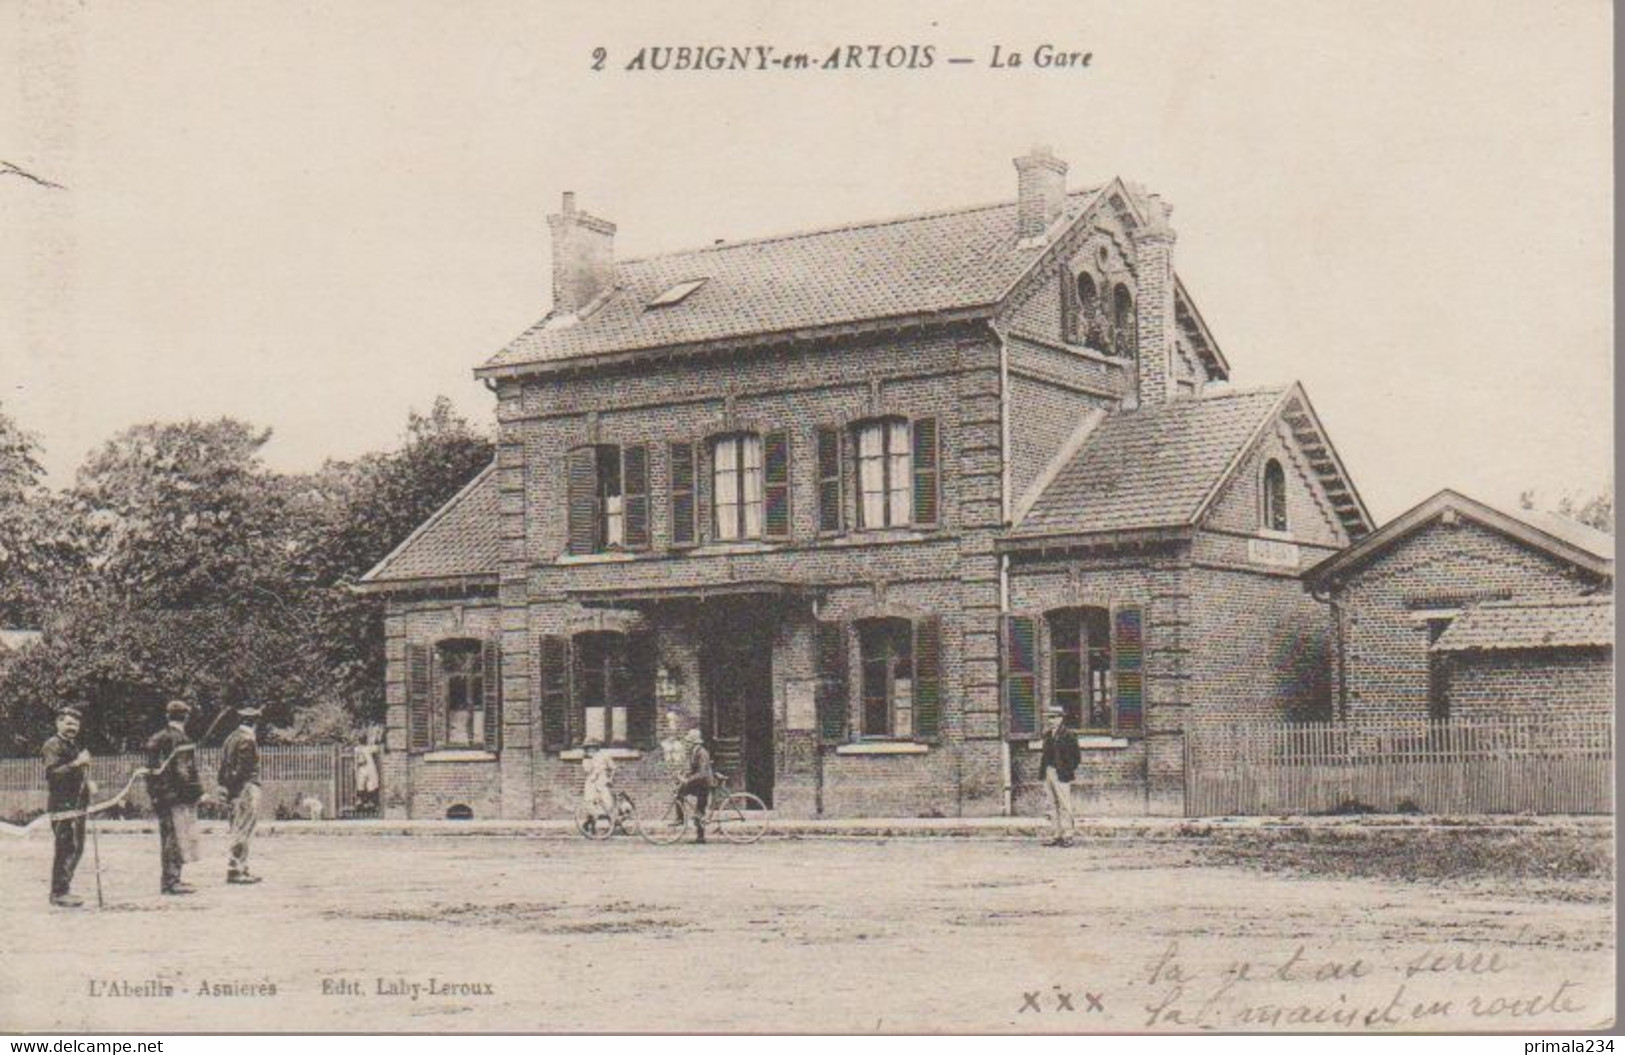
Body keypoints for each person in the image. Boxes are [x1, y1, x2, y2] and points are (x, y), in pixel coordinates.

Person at [145, 700, 203, 894]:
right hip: (177, 796)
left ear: (167, 716)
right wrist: (197, 792)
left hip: (160, 796)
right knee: (176, 838)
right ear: (186, 717)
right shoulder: (182, 740)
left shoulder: (157, 737)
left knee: (168, 837)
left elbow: (150, 770)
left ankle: (171, 879)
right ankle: (172, 881)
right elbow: (183, 771)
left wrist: (154, 794)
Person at [42, 705, 95, 907]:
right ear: (59, 723)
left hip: (77, 804)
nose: (73, 727)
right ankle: (59, 892)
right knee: (66, 848)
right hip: (62, 806)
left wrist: (88, 782)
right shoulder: (53, 745)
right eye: (69, 723)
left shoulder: (73, 745)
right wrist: (77, 763)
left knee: (77, 847)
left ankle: (64, 888)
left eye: (76, 723)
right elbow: (53, 773)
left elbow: (77, 773)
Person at [217, 705, 264, 885]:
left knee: (237, 827)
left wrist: (226, 788)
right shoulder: (248, 740)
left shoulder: (230, 738)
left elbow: (223, 768)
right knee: (244, 829)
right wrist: (237, 788)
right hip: (246, 788)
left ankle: (240, 867)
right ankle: (236, 869)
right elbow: (243, 770)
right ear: (254, 722)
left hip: (234, 790)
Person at [1039, 705, 1081, 847]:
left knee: (1064, 805)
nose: (1051, 721)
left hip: (1062, 773)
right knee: (1052, 805)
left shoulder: (1068, 734)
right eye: (1049, 718)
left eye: (1054, 717)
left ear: (1061, 718)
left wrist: (1066, 769)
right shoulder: (1047, 735)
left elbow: (1076, 757)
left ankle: (1068, 835)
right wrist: (1046, 771)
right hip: (1048, 772)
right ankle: (1056, 835)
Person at [675, 728, 713, 844]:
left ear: (694, 742)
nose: (687, 744)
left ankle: (700, 836)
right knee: (679, 792)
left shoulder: (702, 753)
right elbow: (693, 770)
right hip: (699, 782)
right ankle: (681, 818)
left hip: (704, 784)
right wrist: (684, 775)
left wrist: (687, 780)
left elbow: (702, 773)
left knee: (699, 809)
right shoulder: (695, 752)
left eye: (689, 742)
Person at [579, 741, 618, 834]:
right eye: (588, 748)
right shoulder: (586, 759)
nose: (590, 750)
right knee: (590, 803)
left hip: (602, 781)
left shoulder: (604, 755)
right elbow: (587, 770)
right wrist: (588, 759)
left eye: (592, 747)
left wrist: (610, 779)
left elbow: (613, 767)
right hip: (591, 782)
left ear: (596, 747)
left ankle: (611, 824)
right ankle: (590, 825)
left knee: (607, 803)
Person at [353, 727, 381, 814]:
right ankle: (362, 803)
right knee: (361, 785)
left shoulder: (366, 748)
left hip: (368, 768)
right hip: (363, 768)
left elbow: (377, 748)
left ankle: (370, 804)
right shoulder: (361, 749)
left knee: (369, 785)